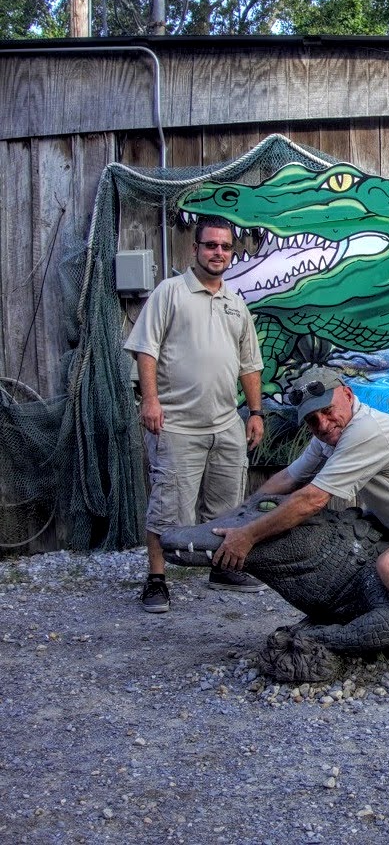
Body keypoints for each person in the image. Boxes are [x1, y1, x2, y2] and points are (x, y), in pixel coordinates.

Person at [210, 366, 389, 710]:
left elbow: (311, 499)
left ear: (347, 395)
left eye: (327, 410)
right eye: (312, 419)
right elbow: (289, 478)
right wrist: (244, 513)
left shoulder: (365, 431)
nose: (322, 424)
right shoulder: (331, 436)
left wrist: (247, 535)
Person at [124, 215, 266, 614]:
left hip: (225, 424)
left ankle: (222, 568)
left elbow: (249, 364)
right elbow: (145, 349)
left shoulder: (235, 303)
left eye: (224, 246)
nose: (217, 252)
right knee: (167, 507)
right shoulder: (170, 293)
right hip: (176, 424)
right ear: (195, 249)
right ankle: (156, 580)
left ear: (231, 252)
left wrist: (254, 412)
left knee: (227, 507)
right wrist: (150, 400)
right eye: (210, 245)